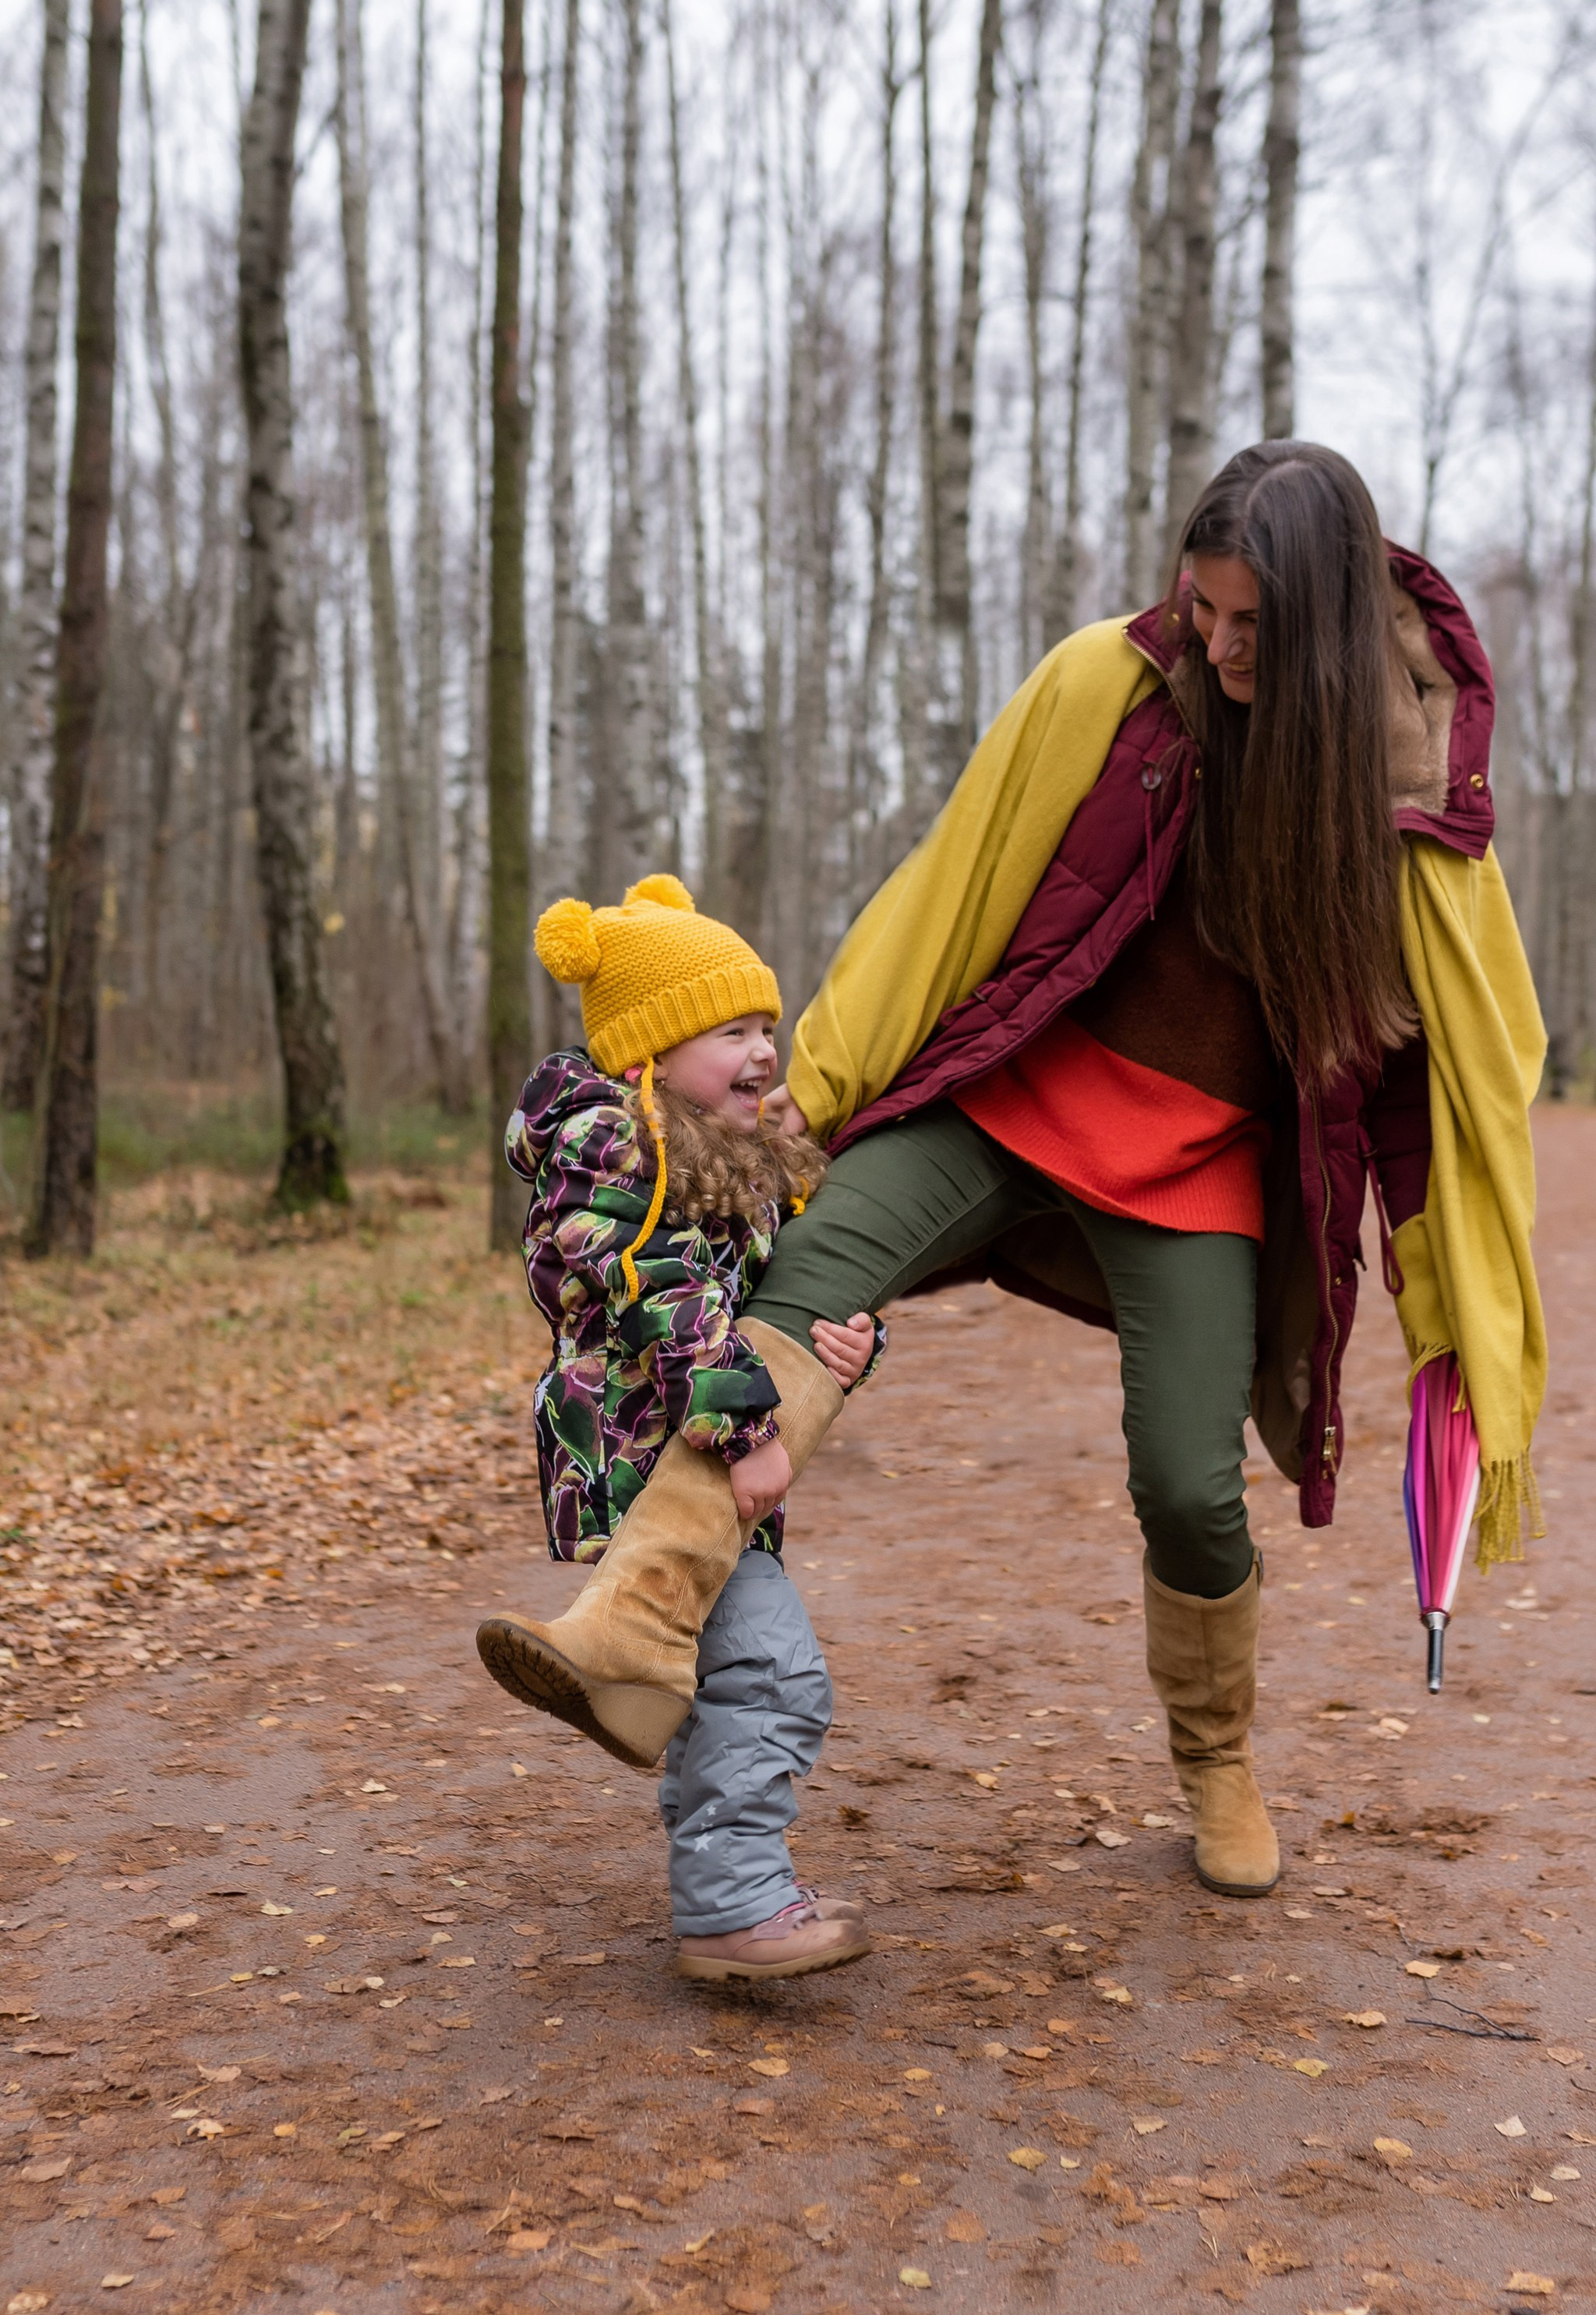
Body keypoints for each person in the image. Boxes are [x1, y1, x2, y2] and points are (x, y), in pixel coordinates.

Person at [478, 442, 1545, 1907]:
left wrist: (1450, 1303)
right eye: (1206, 605)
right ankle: (638, 1626)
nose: (1220, 645)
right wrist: (819, 1107)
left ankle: (1217, 1757)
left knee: (1188, 1483)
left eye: (1254, 626)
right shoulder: (1109, 684)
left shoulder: (1407, 792)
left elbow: (1444, 1073)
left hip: (1201, 1174)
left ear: (1327, 629)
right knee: (806, 1276)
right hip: (1009, 1099)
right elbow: (949, 894)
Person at [477, 874, 879, 1981]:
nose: (762, 1052)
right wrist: (746, 1426)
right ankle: (734, 1908)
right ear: (652, 1043)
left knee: (714, 1683)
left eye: (767, 1027)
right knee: (775, 1678)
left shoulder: (736, 1153)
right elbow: (650, 1286)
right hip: (649, 1462)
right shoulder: (615, 1141)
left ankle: (722, 1868)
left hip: (696, 1452)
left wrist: (849, 1347)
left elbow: (765, 1300)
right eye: (729, 1031)